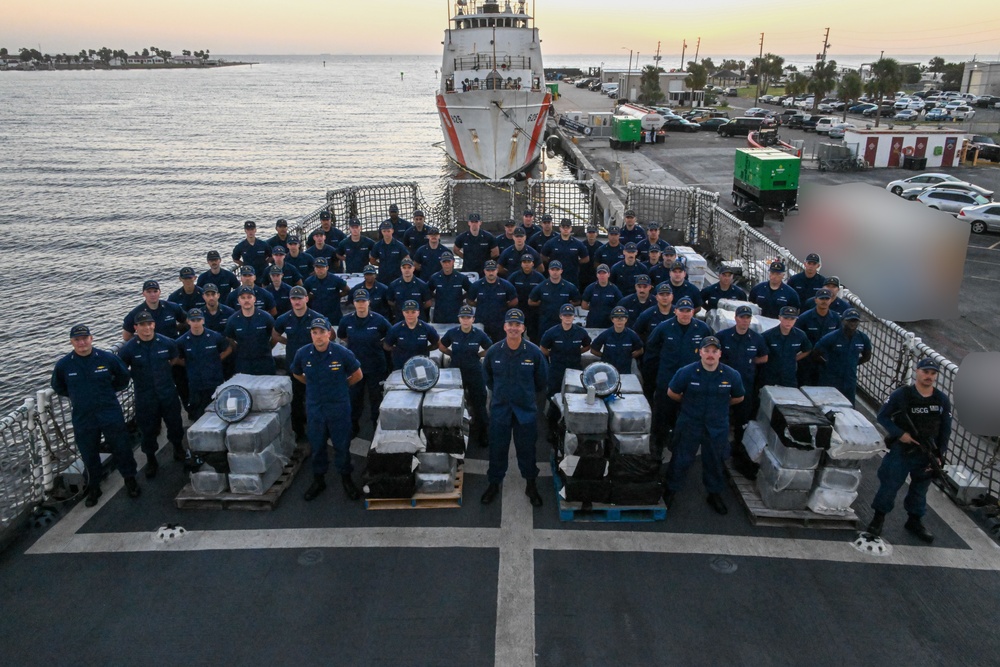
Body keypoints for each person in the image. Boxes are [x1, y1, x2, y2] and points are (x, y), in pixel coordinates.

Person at [51, 324, 140, 506]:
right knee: (88, 453)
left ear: (91, 338)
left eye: (85, 338)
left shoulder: (107, 359)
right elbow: (58, 386)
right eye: (77, 339)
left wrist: (107, 392)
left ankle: (130, 479)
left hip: (109, 412)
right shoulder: (64, 365)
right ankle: (94, 487)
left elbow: (123, 378)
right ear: (71, 342)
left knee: (121, 447)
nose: (82, 342)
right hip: (84, 416)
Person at [868, 358, 952, 543]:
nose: (929, 376)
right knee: (889, 485)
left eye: (932, 373)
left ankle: (915, 520)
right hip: (902, 451)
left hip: (926, 453)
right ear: (917, 371)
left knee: (920, 491)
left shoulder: (941, 399)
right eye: (925, 372)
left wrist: (939, 455)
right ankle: (878, 518)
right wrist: (900, 434)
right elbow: (883, 416)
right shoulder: (902, 395)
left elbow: (945, 429)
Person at [663, 336, 745, 515]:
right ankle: (670, 490)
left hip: (716, 425)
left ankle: (714, 493)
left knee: (715, 460)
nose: (710, 355)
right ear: (700, 352)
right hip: (690, 423)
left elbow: (739, 397)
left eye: (714, 351)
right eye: (706, 350)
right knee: (681, 458)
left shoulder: (731, 375)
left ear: (720, 354)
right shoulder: (686, 372)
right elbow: (672, 392)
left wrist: (720, 407)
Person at [290, 317, 364, 502]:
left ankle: (346, 479)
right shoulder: (303, 353)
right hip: (316, 408)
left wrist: (342, 386)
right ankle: (319, 480)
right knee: (317, 446)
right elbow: (296, 373)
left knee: (342, 446)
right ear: (311, 335)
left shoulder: (342, 353)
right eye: (314, 333)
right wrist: (312, 386)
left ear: (329, 333)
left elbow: (357, 375)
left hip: (338, 407)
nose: (318, 336)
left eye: (322, 332)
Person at [481, 309, 548, 508]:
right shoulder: (494, 351)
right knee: (497, 449)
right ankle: (494, 484)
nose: (513, 328)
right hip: (501, 410)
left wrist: (523, 395)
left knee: (527, 450)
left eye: (517, 325)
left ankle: (531, 484)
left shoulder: (534, 352)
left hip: (525, 411)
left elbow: (541, 381)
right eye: (510, 324)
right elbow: (488, 379)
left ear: (523, 328)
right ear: (504, 327)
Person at [118, 311, 186, 477]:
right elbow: (121, 369)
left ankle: (178, 448)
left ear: (154, 325)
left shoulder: (167, 343)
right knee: (148, 429)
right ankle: (151, 459)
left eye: (149, 324)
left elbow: (174, 359)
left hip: (167, 391)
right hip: (145, 395)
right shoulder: (129, 349)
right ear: (135, 327)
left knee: (175, 423)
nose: (146, 328)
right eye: (142, 325)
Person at [646, 297, 713, 455]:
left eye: (688, 311)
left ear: (693, 312)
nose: (685, 314)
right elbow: (651, 349)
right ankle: (657, 443)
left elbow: (711, 352)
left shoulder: (702, 329)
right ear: (675, 311)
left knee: (686, 414)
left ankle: (679, 444)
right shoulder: (664, 328)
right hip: (667, 379)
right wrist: (652, 376)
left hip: (691, 381)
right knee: (662, 413)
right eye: (682, 310)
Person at [716, 305, 769, 477]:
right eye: (742, 317)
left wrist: (749, 364)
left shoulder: (756, 338)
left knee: (742, 421)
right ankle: (718, 449)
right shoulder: (723, 336)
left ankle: (738, 450)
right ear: (736, 318)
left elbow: (764, 357)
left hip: (745, 386)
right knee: (720, 418)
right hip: (724, 385)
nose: (745, 320)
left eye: (748, 317)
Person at [337, 289, 391, 439]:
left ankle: (376, 428)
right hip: (354, 367)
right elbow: (342, 336)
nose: (361, 304)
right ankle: (353, 427)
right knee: (354, 399)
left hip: (376, 366)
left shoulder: (378, 320)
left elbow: (390, 335)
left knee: (376, 399)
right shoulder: (346, 320)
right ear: (354, 303)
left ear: (369, 302)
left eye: (363, 301)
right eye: (358, 301)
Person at [273, 286, 323, 440]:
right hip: (294, 365)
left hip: (315, 366)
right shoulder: (284, 319)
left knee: (316, 399)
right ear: (290, 300)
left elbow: (331, 335)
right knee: (295, 400)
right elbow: (275, 334)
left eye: (300, 298)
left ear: (306, 299)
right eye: (294, 299)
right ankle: (300, 432)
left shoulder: (316, 318)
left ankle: (319, 429)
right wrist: (289, 342)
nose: (297, 301)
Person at [439, 305, 493, 447]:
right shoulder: (452, 333)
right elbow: (442, 346)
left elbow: (490, 348)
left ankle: (483, 432)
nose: (465, 320)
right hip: (456, 371)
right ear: (459, 319)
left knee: (479, 403)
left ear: (473, 319)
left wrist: (478, 355)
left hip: (474, 371)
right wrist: (452, 354)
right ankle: (452, 433)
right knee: (453, 402)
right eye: (463, 317)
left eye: (468, 317)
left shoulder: (479, 334)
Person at [176, 308, 231, 421]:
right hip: (196, 384)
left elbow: (228, 349)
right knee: (199, 416)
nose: (196, 323)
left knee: (219, 414)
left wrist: (216, 360)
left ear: (203, 321)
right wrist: (190, 364)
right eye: (193, 320)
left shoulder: (215, 337)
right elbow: (176, 358)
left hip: (215, 382)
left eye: (198, 320)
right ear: (188, 321)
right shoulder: (182, 341)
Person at [811, 308, 872, 404]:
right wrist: (828, 364)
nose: (852, 323)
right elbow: (815, 353)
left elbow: (867, 356)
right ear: (843, 320)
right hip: (831, 379)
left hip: (850, 379)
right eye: (849, 320)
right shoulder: (831, 337)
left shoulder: (863, 338)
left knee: (849, 405)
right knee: (828, 405)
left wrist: (853, 363)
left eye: (855, 321)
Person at [224, 286, 277, 375]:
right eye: (243, 298)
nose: (246, 300)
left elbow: (275, 336)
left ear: (254, 299)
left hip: (264, 361)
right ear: (238, 300)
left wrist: (267, 348)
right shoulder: (233, 320)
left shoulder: (266, 317)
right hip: (243, 362)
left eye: (249, 297)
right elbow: (230, 339)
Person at [795, 287, 842, 386]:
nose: (824, 301)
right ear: (816, 300)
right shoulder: (804, 318)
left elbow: (839, 337)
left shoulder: (836, 318)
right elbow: (796, 337)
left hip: (827, 361)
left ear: (831, 300)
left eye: (827, 299)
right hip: (807, 361)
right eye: (821, 299)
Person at [758, 306, 812, 388]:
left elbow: (807, 349)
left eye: (792, 319)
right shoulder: (768, 336)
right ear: (779, 318)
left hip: (789, 376)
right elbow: (760, 353)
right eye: (786, 318)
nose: (789, 322)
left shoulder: (800, 335)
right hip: (770, 375)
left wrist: (794, 358)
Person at [467, 260, 518, 341]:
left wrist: (503, 306)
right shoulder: (476, 285)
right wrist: (480, 305)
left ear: (497, 270)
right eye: (488, 270)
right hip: (482, 321)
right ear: (484, 271)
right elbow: (469, 300)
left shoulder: (506, 285)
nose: (491, 273)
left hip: (499, 322)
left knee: (500, 345)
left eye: (493, 270)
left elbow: (514, 300)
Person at [528, 260, 581, 336]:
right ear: (549, 271)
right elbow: (530, 301)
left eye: (557, 270)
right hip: (545, 321)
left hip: (563, 322)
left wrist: (568, 305)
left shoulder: (569, 287)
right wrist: (541, 304)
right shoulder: (541, 286)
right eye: (552, 269)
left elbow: (577, 301)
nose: (555, 272)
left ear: (561, 271)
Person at [383, 300, 441, 369]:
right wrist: (398, 350)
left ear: (418, 313)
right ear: (403, 313)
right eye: (407, 312)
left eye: (413, 312)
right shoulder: (395, 329)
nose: (410, 315)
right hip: (401, 366)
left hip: (421, 366)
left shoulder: (427, 328)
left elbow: (437, 343)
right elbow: (386, 346)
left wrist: (425, 349)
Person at [590, 306, 643, 375]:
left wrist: (628, 357)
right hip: (608, 371)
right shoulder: (606, 334)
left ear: (626, 319)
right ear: (612, 319)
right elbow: (593, 350)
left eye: (622, 318)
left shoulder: (632, 335)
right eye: (617, 318)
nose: (619, 320)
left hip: (625, 371)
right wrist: (605, 357)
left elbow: (640, 350)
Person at [508, 253, 545, 341]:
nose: (527, 264)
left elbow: (544, 290)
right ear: (521, 264)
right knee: (517, 335)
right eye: (524, 262)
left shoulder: (539, 277)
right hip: (519, 309)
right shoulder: (514, 276)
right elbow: (508, 289)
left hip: (534, 311)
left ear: (533, 263)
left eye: (529, 262)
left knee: (534, 336)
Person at [541, 218, 589, 287]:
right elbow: (542, 256)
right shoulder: (551, 243)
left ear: (571, 228)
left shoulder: (578, 244)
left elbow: (586, 258)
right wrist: (551, 262)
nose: (565, 229)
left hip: (572, 276)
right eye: (563, 227)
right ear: (560, 228)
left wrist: (576, 262)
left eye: (568, 227)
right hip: (555, 277)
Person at [303, 257, 349, 327]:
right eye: (317, 267)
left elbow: (347, 290)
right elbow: (303, 294)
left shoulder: (335, 279)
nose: (319, 270)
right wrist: (311, 297)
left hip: (334, 314)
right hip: (317, 313)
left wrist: (337, 296)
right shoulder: (309, 281)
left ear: (327, 267)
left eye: (322, 267)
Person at [428, 251, 471, 324]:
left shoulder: (461, 278)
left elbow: (471, 289)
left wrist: (461, 297)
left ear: (453, 262)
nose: (447, 264)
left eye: (449, 262)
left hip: (456, 314)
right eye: (444, 262)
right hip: (440, 315)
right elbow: (428, 290)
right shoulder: (435, 278)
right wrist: (437, 297)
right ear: (441, 263)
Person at [581, 264, 623, 329]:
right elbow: (584, 305)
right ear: (597, 275)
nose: (602, 275)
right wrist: (595, 309)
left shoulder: (614, 289)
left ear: (609, 274)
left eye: (604, 273)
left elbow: (620, 304)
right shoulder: (590, 288)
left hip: (609, 322)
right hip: (593, 322)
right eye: (600, 273)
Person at [232, 220, 271, 284]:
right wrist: (244, 264)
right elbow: (235, 258)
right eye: (248, 229)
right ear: (245, 230)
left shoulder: (263, 244)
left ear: (255, 230)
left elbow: (271, 255)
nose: (250, 232)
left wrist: (264, 263)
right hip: (248, 275)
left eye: (252, 229)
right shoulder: (241, 246)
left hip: (262, 274)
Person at [370, 220, 410, 284]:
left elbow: (407, 259)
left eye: (388, 231)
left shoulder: (399, 245)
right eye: (384, 231)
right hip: (382, 278)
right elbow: (372, 260)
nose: (386, 233)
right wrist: (381, 265)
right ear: (381, 232)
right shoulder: (377, 246)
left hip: (396, 277)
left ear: (392, 231)